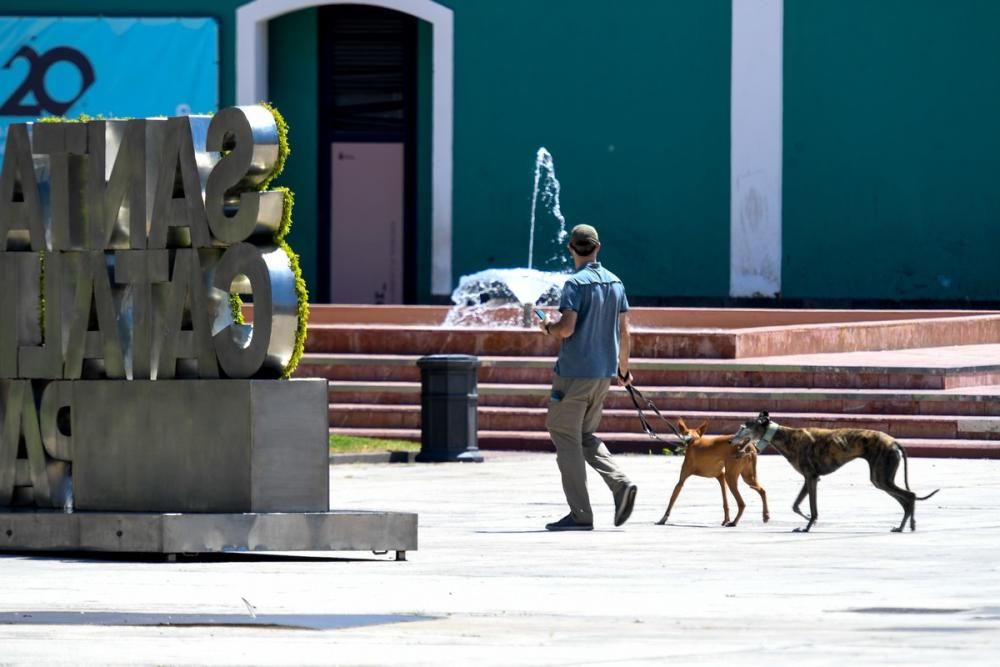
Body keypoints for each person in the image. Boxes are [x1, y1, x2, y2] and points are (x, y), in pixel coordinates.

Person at [537, 224, 637, 531]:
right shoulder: (616, 282)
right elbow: (624, 331)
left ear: (571, 248)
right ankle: (620, 485)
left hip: (574, 374)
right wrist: (623, 369)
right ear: (598, 247)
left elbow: (566, 329)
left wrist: (547, 328)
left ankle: (580, 514)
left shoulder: (575, 284)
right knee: (584, 436)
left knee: (564, 434)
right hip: (603, 375)